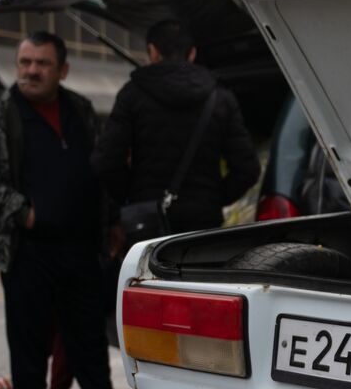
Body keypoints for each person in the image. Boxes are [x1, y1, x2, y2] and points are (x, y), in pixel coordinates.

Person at [0, 31, 123, 389]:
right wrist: (24, 214)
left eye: (42, 63)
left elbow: (101, 172)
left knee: (86, 332)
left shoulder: (81, 110)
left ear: (62, 70)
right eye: (25, 63)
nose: (31, 71)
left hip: (81, 246)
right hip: (27, 249)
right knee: (29, 334)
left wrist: (110, 224)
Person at [93, 19, 260, 240]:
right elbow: (247, 169)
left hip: (147, 223)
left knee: (147, 275)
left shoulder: (132, 95)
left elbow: (105, 162)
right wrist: (211, 198)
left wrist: (135, 198)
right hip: (203, 225)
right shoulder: (221, 98)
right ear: (192, 54)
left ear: (152, 52)